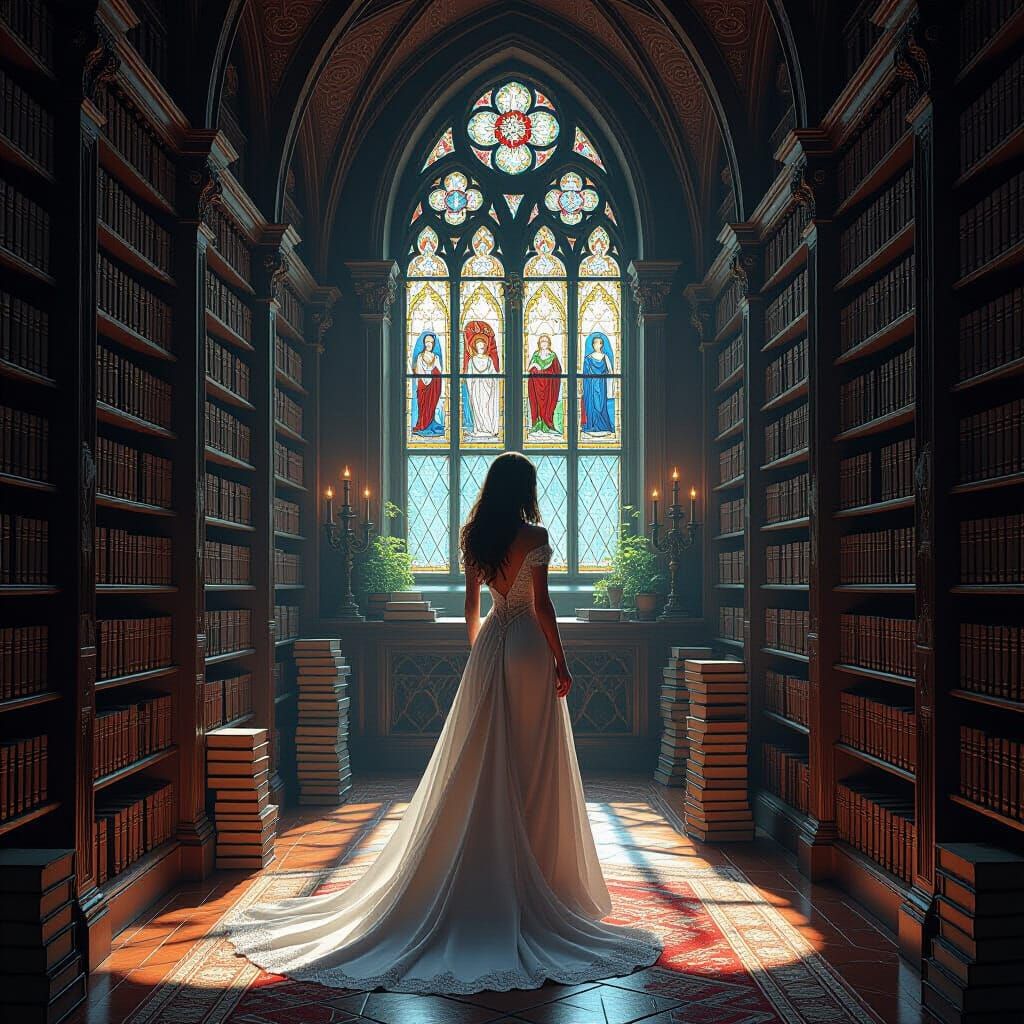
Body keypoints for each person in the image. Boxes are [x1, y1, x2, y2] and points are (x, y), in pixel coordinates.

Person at [225, 452, 662, 993]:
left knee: (484, 753)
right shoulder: (536, 534)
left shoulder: (476, 536)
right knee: (532, 757)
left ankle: (494, 864)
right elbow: (544, 607)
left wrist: (480, 652)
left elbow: (470, 608)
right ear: (523, 489)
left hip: (494, 648)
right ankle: (536, 873)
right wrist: (562, 661)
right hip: (528, 648)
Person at [463, 321, 500, 441]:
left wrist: (490, 382)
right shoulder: (472, 360)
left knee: (486, 407)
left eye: (483, 346)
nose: (481, 347)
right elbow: (468, 375)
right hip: (476, 388)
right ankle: (479, 429)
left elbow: (494, 374)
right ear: (475, 346)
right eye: (479, 345)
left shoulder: (489, 359)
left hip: (487, 387)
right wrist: (471, 384)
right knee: (478, 408)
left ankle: (488, 429)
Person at [527, 333, 562, 435]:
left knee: (548, 405)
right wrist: (534, 365)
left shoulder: (553, 356)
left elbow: (558, 371)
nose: (544, 343)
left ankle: (547, 424)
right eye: (542, 341)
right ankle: (537, 424)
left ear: (549, 343)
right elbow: (529, 369)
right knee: (537, 404)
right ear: (539, 343)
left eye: (546, 341)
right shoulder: (536, 355)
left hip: (549, 386)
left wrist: (543, 372)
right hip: (536, 385)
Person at [581, 331, 614, 436]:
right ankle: (592, 426)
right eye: (595, 343)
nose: (597, 345)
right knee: (593, 405)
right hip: (591, 385)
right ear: (593, 345)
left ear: (602, 344)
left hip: (601, 384)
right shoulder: (588, 358)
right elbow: (584, 374)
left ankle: (603, 426)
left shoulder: (605, 357)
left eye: (599, 343)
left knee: (600, 405)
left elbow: (611, 372)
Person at [411, 331, 444, 436]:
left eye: (431, 342)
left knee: (431, 406)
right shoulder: (420, 357)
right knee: (422, 406)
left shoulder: (436, 357)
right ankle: (422, 425)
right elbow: (418, 371)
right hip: (423, 386)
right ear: (424, 343)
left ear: (433, 344)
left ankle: (430, 424)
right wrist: (428, 375)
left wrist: (433, 372)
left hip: (433, 387)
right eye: (427, 341)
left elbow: (439, 372)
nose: (429, 344)